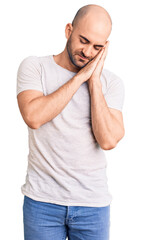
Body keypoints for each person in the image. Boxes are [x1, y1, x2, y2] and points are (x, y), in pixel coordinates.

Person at [16, 4, 125, 240]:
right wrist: (80, 78)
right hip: (42, 202)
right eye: (83, 40)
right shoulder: (35, 67)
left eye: (97, 47)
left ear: (105, 48)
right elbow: (34, 117)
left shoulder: (111, 83)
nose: (87, 52)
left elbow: (108, 140)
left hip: (93, 205)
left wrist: (94, 81)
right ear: (68, 30)